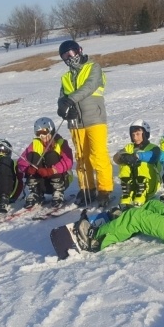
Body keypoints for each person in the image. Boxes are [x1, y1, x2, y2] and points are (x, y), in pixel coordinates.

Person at [56, 40, 114, 208]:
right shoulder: (66, 77)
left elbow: (90, 86)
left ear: (79, 51)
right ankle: (87, 188)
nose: (69, 57)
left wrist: (70, 100)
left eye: (71, 53)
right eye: (65, 56)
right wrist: (63, 108)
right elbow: (62, 97)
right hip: (76, 121)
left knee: (98, 154)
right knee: (81, 157)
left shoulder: (93, 67)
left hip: (95, 118)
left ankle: (104, 189)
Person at [17, 117, 74, 209]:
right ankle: (36, 192)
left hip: (62, 179)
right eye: (38, 133)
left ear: (50, 130)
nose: (42, 136)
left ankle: (58, 191)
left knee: (51, 155)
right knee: (33, 155)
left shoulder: (61, 143)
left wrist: (52, 170)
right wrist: (27, 169)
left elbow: (69, 161)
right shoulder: (35, 144)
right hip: (43, 182)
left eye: (44, 132)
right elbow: (21, 161)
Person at [112, 120, 162, 208]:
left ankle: (141, 193)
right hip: (133, 185)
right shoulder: (129, 147)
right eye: (133, 135)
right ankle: (127, 193)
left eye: (138, 134)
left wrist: (137, 156)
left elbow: (153, 157)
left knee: (142, 164)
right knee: (124, 164)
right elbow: (116, 158)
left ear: (145, 134)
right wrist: (123, 157)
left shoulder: (153, 148)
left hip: (150, 185)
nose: (135, 137)